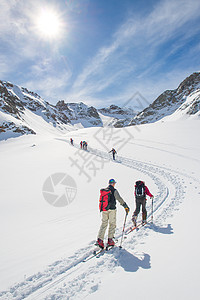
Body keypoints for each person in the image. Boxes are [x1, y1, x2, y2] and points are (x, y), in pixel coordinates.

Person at [97, 179, 130, 248]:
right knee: (112, 224)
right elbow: (119, 198)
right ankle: (110, 240)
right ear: (113, 184)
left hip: (104, 209)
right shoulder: (114, 190)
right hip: (112, 209)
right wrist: (125, 206)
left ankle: (100, 240)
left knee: (104, 224)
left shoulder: (104, 191)